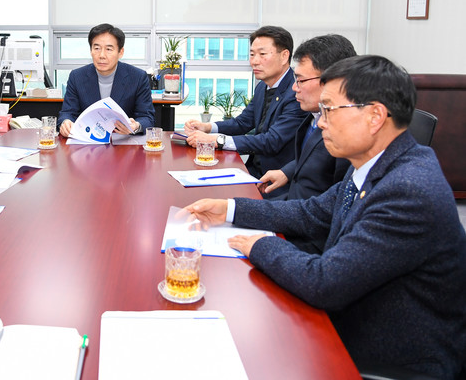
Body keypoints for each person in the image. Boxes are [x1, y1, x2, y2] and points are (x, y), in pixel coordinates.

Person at [183, 55, 466, 379]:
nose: (320, 123)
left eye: (329, 110)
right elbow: (311, 212)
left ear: (375, 116)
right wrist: (232, 208)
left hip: (391, 356)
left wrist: (258, 244)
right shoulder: (376, 163)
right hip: (352, 317)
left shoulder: (408, 190)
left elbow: (324, 282)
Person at [184, 25, 307, 197]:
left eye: (262, 54)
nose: (254, 61)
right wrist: (208, 127)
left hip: (276, 184)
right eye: (252, 54)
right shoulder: (262, 87)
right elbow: (243, 122)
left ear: (284, 56)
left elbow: (272, 141)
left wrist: (217, 140)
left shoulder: (296, 92)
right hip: (252, 172)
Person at [258, 34, 356, 202]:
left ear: (332, 80)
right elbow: (312, 158)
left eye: (301, 80)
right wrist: (286, 172)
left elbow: (331, 205)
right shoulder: (315, 114)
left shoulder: (347, 133)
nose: (294, 87)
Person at [57, 23, 154, 137]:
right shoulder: (77, 76)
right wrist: (66, 123)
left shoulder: (137, 77)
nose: (102, 55)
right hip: (87, 142)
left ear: (120, 52)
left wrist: (136, 126)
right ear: (91, 50)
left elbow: (147, 118)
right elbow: (67, 113)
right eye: (97, 48)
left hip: (124, 142)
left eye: (108, 49)